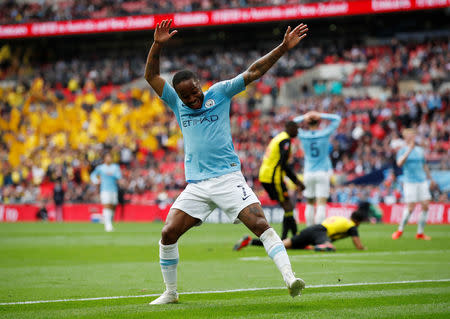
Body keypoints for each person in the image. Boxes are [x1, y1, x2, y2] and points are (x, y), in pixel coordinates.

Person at [144, 19, 308, 305]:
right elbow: (151, 75)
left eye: (195, 90)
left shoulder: (219, 93)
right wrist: (157, 45)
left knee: (259, 223)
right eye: (187, 96)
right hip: (196, 184)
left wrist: (282, 47)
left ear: (199, 84)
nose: (194, 97)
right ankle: (170, 292)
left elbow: (254, 71)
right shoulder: (176, 102)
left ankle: (290, 278)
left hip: (227, 178)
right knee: (168, 232)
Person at [234, 210, 367, 252]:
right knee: (330, 246)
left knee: (280, 244)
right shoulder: (351, 226)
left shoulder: (342, 219)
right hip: (321, 232)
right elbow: (358, 245)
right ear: (358, 221)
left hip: (313, 229)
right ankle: (320, 246)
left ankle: (251, 242)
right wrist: (363, 248)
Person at [259, 121, 305, 239]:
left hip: (266, 175)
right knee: (287, 205)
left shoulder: (278, 138)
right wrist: (297, 181)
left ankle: (289, 237)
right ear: (290, 128)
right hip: (273, 177)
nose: (298, 131)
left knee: (287, 206)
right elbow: (284, 164)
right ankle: (292, 237)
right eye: (296, 129)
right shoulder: (285, 140)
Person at [294, 111, 341, 226]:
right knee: (321, 203)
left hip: (308, 173)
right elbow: (337, 119)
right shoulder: (324, 133)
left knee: (309, 203)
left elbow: (291, 123)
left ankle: (309, 231)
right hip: (322, 172)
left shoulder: (303, 135)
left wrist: (304, 117)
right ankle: (319, 233)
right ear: (319, 122)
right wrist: (321, 115)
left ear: (307, 123)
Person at [392, 128, 434, 240]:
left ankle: (420, 233)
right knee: (410, 207)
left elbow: (424, 165)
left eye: (413, 135)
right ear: (405, 137)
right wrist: (409, 150)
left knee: (425, 205)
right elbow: (399, 163)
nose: (412, 137)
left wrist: (430, 178)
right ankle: (400, 230)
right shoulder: (402, 150)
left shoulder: (420, 150)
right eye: (409, 135)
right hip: (409, 182)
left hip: (422, 181)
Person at [90, 152, 122, 232]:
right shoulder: (100, 168)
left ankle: (109, 222)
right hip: (104, 189)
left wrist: (113, 174)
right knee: (107, 205)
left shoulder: (115, 167)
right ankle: (108, 225)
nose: (109, 159)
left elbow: (119, 176)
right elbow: (92, 175)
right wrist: (97, 181)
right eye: (107, 157)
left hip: (114, 189)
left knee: (113, 206)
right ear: (104, 159)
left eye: (110, 157)